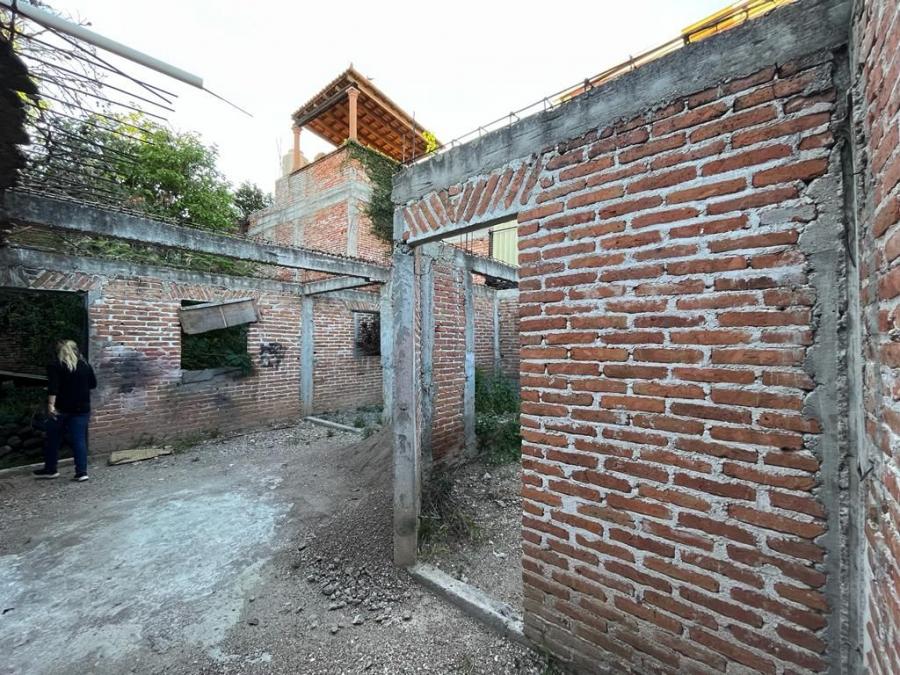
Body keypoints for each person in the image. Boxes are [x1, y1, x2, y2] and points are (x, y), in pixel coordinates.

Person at [33, 340, 97, 482]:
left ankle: (51, 470)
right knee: (79, 439)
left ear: (58, 351)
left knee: (52, 438)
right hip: (82, 408)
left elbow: (53, 387)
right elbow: (93, 384)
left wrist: (51, 405)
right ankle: (81, 472)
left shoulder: (55, 365)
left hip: (61, 409)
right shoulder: (85, 365)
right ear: (75, 350)